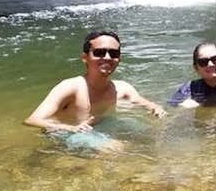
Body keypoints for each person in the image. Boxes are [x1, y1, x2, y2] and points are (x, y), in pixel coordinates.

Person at [24, 30, 166, 135]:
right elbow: (32, 120)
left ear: (119, 59)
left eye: (114, 53)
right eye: (99, 53)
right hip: (68, 133)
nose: (107, 57)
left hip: (100, 126)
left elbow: (147, 104)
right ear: (84, 57)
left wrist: (156, 109)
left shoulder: (123, 89)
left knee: (149, 134)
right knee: (113, 148)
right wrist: (70, 128)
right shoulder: (71, 87)